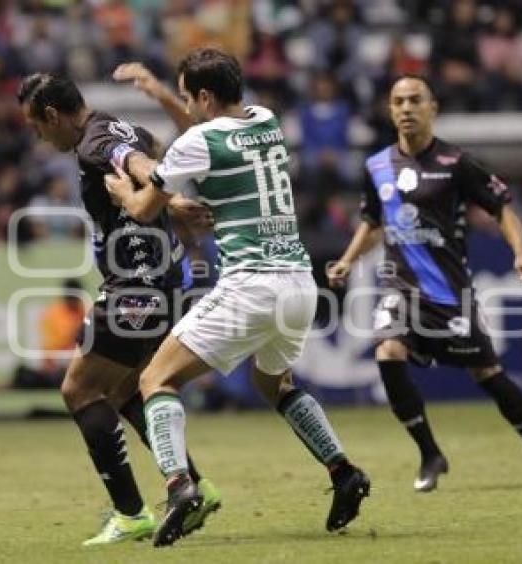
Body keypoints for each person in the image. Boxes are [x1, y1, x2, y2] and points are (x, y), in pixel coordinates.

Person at [104, 48, 370, 548]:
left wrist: (121, 189)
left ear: (204, 96)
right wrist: (162, 94)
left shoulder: (201, 140)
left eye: (187, 96)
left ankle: (180, 487)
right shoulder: (266, 119)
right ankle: (343, 471)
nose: (187, 105)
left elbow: (143, 208)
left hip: (252, 286)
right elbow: (203, 134)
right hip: (298, 283)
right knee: (275, 383)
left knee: (155, 380)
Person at [327, 75, 522, 493]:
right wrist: (346, 260)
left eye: (415, 100)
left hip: (450, 294)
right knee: (388, 350)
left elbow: (502, 209)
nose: (406, 108)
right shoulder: (377, 166)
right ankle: (429, 452)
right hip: (399, 286)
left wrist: (521, 252)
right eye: (398, 101)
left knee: (486, 372)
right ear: (389, 109)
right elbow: (372, 222)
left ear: (432, 108)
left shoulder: (457, 164)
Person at [16, 72, 220, 546]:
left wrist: (169, 192)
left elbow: (142, 165)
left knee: (79, 391)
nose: (38, 136)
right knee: (128, 390)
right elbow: (160, 154)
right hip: (163, 284)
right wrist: (175, 199)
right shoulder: (122, 125)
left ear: (52, 115)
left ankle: (131, 514)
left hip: (135, 289)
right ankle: (193, 485)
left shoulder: (95, 142)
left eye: (36, 126)